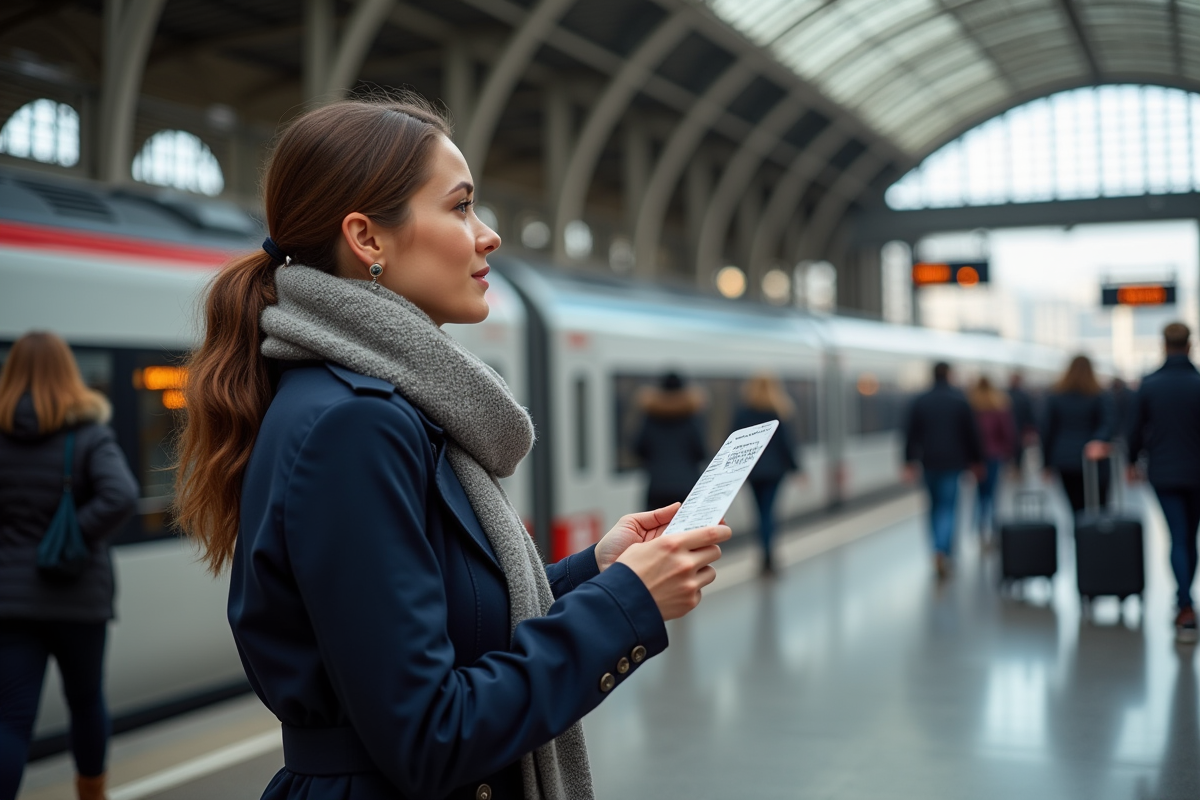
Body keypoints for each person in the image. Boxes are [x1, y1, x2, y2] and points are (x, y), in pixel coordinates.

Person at [174, 96, 729, 800]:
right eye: (461, 207)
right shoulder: (355, 426)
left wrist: (599, 571)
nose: (488, 235)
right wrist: (627, 606)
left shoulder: (376, 405)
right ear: (368, 240)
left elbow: (444, 626)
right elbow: (431, 732)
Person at [0, 332, 139, 800]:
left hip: (10, 600)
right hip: (78, 595)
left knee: (10, 718)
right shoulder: (88, 434)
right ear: (68, 372)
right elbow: (121, 495)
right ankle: (91, 795)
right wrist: (71, 537)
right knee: (85, 702)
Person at [1127, 322, 1200, 644]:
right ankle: (1185, 600)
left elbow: (1134, 429)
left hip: (1164, 472)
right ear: (1189, 345)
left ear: (1163, 344)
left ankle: (1185, 606)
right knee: (1190, 536)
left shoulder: (1149, 384)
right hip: (1198, 473)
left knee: (1178, 537)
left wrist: (1131, 462)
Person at [903, 362, 983, 578]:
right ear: (949, 375)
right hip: (953, 463)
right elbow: (971, 434)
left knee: (933, 506)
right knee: (948, 507)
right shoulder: (959, 401)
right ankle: (943, 549)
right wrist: (976, 461)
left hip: (928, 462)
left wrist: (908, 461)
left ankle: (936, 548)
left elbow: (910, 433)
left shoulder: (920, 401)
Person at [732, 373, 802, 576]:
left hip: (753, 472)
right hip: (775, 471)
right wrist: (797, 469)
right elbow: (786, 445)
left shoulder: (743, 412)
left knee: (759, 514)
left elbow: (736, 442)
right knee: (769, 513)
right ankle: (770, 558)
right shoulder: (779, 411)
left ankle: (763, 557)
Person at [1041, 355, 1112, 514]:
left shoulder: (1055, 395)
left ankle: (1079, 535)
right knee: (1098, 505)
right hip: (1093, 458)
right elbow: (1108, 423)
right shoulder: (1099, 395)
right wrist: (1098, 440)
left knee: (1076, 507)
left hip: (1065, 458)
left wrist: (1046, 463)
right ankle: (1094, 537)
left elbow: (1047, 430)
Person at [634, 372, 708, 511]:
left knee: (657, 529)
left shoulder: (651, 418)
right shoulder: (691, 418)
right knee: (687, 531)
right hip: (687, 485)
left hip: (658, 486)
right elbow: (701, 452)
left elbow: (639, 449)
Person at [968, 376, 1014, 545]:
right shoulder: (999, 405)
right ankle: (993, 530)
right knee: (993, 493)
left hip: (977, 457)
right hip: (995, 455)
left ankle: (980, 529)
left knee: (980, 495)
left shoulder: (972, 406)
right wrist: (1009, 454)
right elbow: (1007, 433)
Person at [1008, 372, 1037, 471]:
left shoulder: (1023, 396)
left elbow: (1029, 414)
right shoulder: (1008, 394)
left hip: (1019, 428)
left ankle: (1016, 469)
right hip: (1011, 427)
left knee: (1018, 450)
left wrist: (1029, 430)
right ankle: (1014, 469)